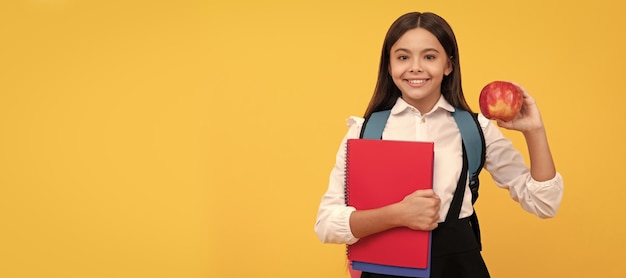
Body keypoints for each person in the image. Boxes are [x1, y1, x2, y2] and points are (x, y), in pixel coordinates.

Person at [314, 11, 564, 278]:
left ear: (449, 65)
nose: (416, 67)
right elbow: (327, 224)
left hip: (459, 268)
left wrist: (534, 131)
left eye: (430, 57)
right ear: (389, 66)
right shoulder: (363, 131)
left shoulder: (475, 129)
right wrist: (398, 214)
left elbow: (543, 203)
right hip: (385, 269)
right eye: (403, 57)